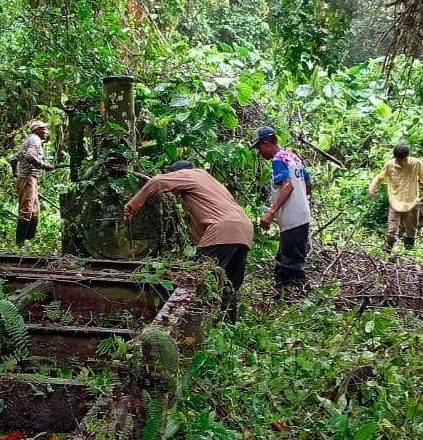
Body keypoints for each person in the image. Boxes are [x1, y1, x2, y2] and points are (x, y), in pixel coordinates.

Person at [123, 160, 254, 321]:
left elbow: (157, 181)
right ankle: (227, 324)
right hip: (244, 230)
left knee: (199, 281)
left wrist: (133, 205)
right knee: (229, 285)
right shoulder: (210, 181)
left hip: (222, 230)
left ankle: (192, 325)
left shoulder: (189, 175)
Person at [250, 126, 312, 294]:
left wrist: (271, 213)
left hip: (292, 218)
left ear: (267, 143)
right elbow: (307, 185)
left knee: (290, 264)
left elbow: (287, 186)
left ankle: (297, 299)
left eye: (259, 147)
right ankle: (287, 296)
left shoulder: (278, 160)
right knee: (287, 258)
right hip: (302, 215)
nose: (259, 152)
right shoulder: (293, 157)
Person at [368, 143, 423, 250]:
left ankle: (408, 253)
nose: (402, 162)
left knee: (411, 230)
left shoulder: (417, 164)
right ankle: (387, 252)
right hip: (395, 201)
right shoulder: (389, 165)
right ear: (395, 158)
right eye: (399, 160)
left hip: (412, 201)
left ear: (408, 156)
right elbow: (379, 178)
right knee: (392, 230)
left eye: (404, 160)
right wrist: (371, 188)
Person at [15, 120, 54, 247]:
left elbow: (17, 157)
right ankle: (20, 243)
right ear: (38, 130)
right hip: (28, 178)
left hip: (30, 178)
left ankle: (29, 239)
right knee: (26, 209)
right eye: (44, 129)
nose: (47, 132)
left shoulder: (31, 140)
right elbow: (30, 156)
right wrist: (43, 165)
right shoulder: (34, 140)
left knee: (35, 210)